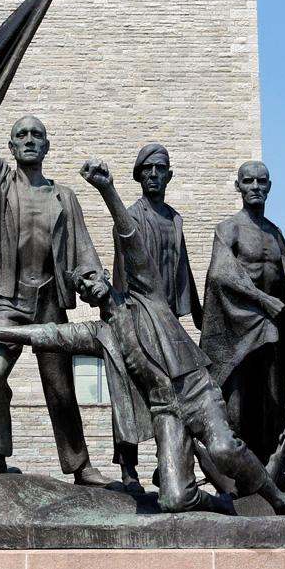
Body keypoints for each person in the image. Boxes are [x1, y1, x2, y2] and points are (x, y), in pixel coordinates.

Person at [0, 159, 285, 517]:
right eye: (82, 288)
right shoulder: (100, 333)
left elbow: (130, 238)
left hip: (196, 391)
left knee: (223, 448)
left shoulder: (146, 291)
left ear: (105, 277)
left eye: (91, 278)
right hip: (166, 408)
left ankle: (278, 499)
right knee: (173, 500)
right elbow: (47, 334)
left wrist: (107, 190)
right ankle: (218, 503)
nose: (89, 287)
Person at [0, 23, 109, 485]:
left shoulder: (64, 196)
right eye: (22, 134)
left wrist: (96, 280)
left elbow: (83, 251)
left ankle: (80, 465)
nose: (31, 139)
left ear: (47, 145)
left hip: (51, 303)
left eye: (38, 134)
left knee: (60, 389)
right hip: (10, 302)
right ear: (12, 146)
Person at [199, 160, 285, 467]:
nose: (255, 187)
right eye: (248, 181)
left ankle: (266, 469)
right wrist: (263, 299)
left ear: (269, 187)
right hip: (239, 330)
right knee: (237, 402)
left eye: (261, 181)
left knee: (272, 402)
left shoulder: (275, 234)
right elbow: (220, 273)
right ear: (238, 186)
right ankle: (236, 470)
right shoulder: (229, 229)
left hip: (272, 329)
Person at [109, 143, 201, 491]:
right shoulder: (130, 216)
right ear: (138, 176)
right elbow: (121, 266)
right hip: (137, 312)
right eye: (146, 169)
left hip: (168, 317)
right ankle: (128, 468)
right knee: (129, 391)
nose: (152, 174)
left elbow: (183, 267)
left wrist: (197, 314)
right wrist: (119, 314)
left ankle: (169, 467)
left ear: (169, 175)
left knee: (178, 393)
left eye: (159, 168)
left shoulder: (175, 219)